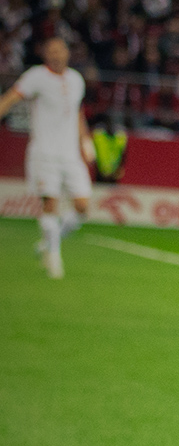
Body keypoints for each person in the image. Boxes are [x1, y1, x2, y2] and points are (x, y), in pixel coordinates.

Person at [0, 37, 93, 279]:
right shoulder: (36, 77)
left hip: (70, 154)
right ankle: (54, 257)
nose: (56, 55)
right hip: (45, 153)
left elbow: (77, 113)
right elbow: (11, 97)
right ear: (45, 55)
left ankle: (49, 242)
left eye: (59, 50)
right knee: (50, 203)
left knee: (82, 206)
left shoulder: (76, 79)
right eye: (51, 51)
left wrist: (85, 141)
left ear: (67, 53)